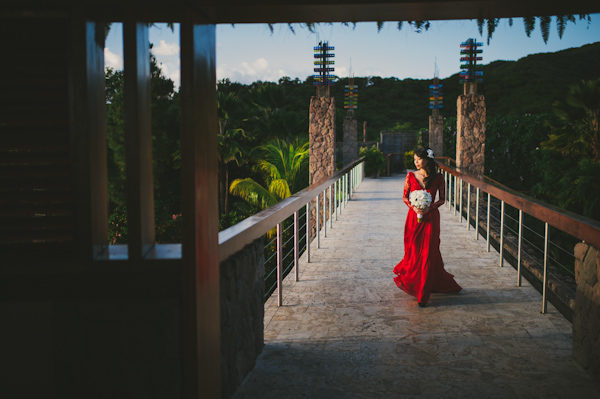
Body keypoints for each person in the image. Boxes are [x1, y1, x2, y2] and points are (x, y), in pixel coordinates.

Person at [393, 147, 462, 307]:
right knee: (415, 250)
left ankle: (423, 293)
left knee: (428, 252)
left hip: (431, 218)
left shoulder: (438, 177)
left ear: (427, 159)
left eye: (418, 159)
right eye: (414, 159)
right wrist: (414, 207)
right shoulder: (410, 176)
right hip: (413, 218)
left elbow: (443, 199)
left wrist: (429, 207)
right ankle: (423, 282)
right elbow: (404, 197)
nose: (415, 162)